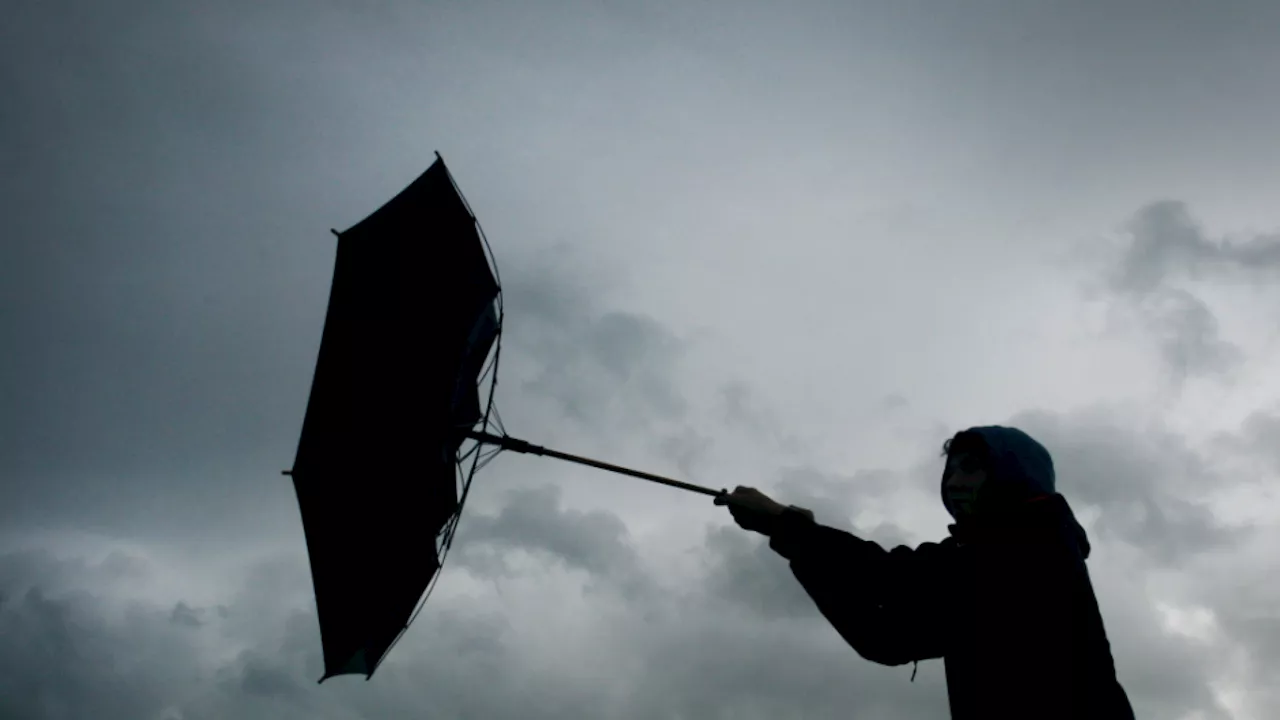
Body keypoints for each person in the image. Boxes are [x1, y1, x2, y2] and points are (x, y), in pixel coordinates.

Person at [715, 425, 1135, 720]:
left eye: (970, 467)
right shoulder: (982, 559)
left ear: (1015, 473)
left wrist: (785, 525)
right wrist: (797, 544)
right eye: (949, 470)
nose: (953, 481)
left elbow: (890, 576)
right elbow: (883, 638)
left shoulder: (1035, 544)